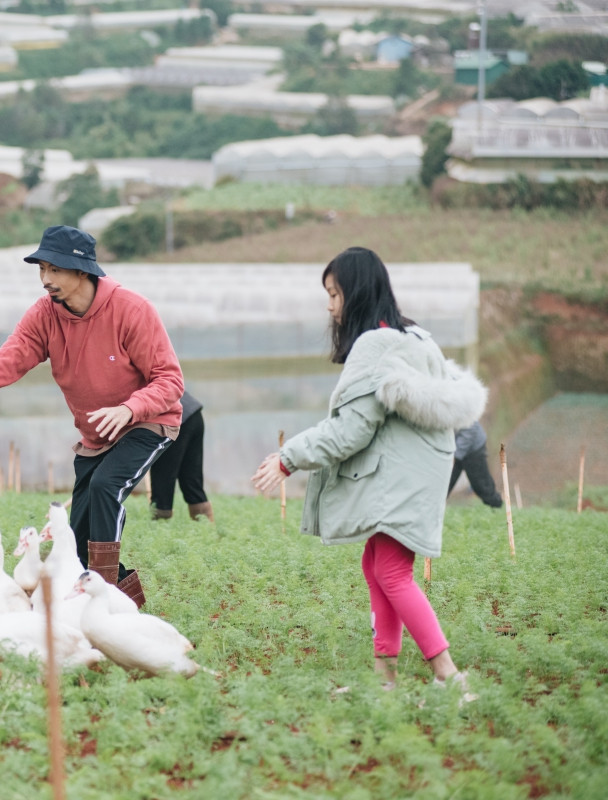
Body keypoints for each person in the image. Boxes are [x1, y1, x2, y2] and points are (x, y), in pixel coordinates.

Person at [0, 225, 183, 608]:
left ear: (82, 271)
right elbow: (6, 361)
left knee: (105, 487)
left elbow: (170, 380)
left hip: (147, 421)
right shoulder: (44, 316)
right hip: (95, 434)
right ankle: (125, 601)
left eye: (55, 270)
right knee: (77, 530)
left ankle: (100, 604)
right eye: (41, 269)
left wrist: (128, 408)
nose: (45, 280)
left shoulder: (131, 310)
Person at [251, 246, 485, 694]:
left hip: (402, 477)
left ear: (355, 294)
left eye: (335, 294)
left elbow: (350, 432)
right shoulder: (416, 337)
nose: (330, 305)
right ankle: (385, 679)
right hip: (416, 472)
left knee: (393, 573)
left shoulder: (374, 346)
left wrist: (287, 459)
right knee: (377, 566)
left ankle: (449, 677)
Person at [149, 390, 214, 522]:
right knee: (191, 481)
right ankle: (208, 534)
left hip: (172, 418)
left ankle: (159, 533)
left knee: (162, 482)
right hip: (193, 413)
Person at [448, 421, 503, 508]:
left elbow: (470, 429)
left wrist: (455, 455)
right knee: (445, 484)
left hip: (473, 449)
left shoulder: (462, 411)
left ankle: (497, 507)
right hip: (454, 448)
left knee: (482, 486)